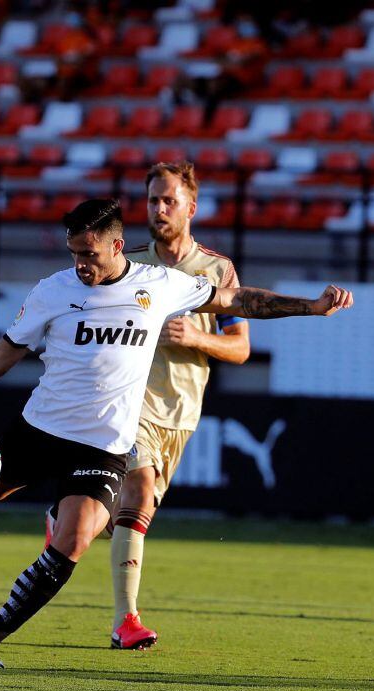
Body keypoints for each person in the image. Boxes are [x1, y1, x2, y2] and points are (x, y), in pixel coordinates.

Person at [0, 197, 353, 669]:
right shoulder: (53, 291)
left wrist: (311, 308)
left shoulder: (161, 285)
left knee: (73, 543)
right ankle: (52, 508)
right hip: (42, 428)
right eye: (74, 253)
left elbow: (237, 299)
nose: (80, 264)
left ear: (117, 245)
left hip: (103, 445)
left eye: (89, 253)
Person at [108, 161, 250, 650]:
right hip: (130, 407)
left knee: (128, 515)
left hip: (181, 417)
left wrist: (197, 337)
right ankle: (125, 621)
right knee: (140, 490)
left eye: (169, 200)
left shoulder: (217, 271)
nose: (160, 208)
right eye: (153, 200)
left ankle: (65, 517)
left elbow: (242, 348)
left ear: (192, 207)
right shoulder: (130, 264)